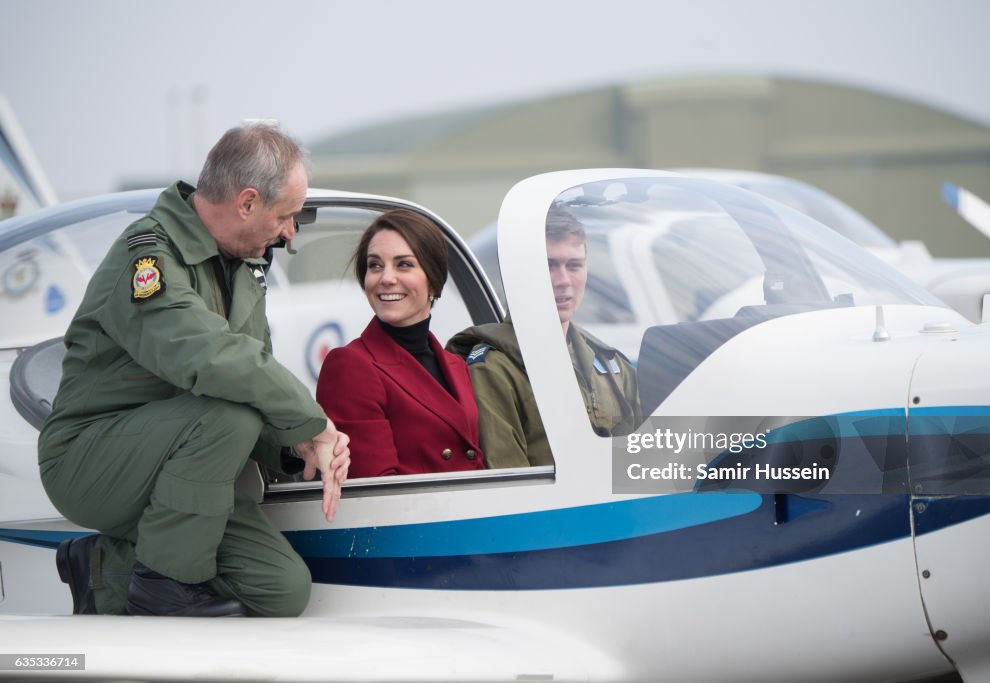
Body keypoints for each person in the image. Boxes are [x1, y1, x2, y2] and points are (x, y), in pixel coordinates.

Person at [38, 123, 351, 618]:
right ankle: (161, 585)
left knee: (283, 589)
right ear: (247, 203)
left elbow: (254, 377)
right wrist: (312, 420)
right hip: (91, 459)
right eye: (287, 216)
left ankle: (104, 569)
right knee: (229, 417)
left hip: (184, 468)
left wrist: (294, 445)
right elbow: (209, 357)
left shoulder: (243, 270)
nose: (291, 232)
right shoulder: (146, 258)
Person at [447, 206, 639, 469]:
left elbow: (640, 472)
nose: (564, 280)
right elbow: (511, 489)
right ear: (520, 274)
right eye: (549, 265)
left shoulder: (613, 366)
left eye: (574, 265)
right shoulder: (493, 370)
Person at [316, 209, 484, 478]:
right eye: (375, 265)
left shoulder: (455, 364)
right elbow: (375, 493)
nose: (386, 278)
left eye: (403, 264)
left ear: (433, 278)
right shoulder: (350, 367)